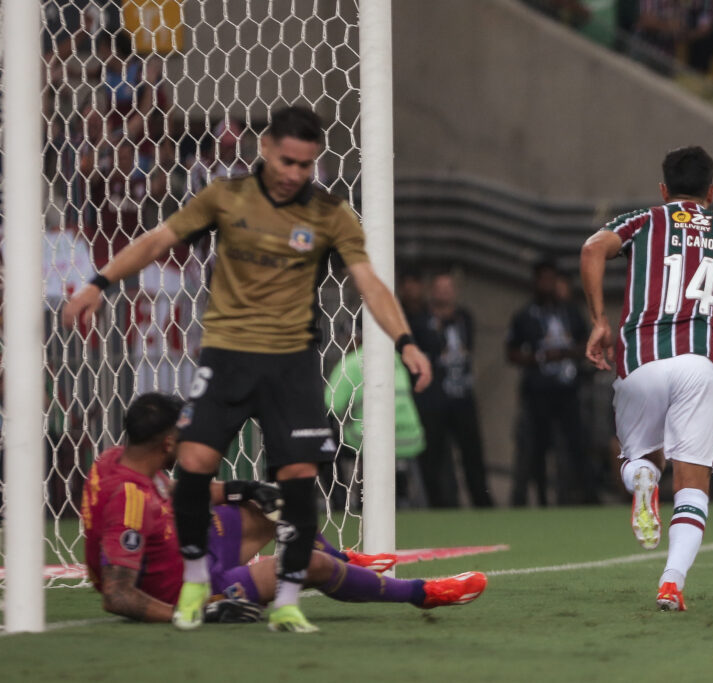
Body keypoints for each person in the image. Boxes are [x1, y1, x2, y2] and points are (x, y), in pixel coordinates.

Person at [63, 104, 433, 633]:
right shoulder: (224, 196)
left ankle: (285, 600)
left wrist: (406, 341)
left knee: (299, 483)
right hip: (228, 355)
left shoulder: (331, 213)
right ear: (264, 148)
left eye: (305, 166)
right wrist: (100, 283)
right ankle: (195, 582)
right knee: (192, 463)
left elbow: (368, 281)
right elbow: (157, 241)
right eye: (287, 161)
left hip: (292, 362)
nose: (294, 175)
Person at [82, 393, 486, 623]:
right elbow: (117, 594)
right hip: (200, 589)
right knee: (310, 565)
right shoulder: (127, 502)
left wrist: (243, 488)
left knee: (277, 505)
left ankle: (347, 561)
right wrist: (189, 614)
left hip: (194, 546)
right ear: (167, 444)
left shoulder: (118, 459)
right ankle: (423, 593)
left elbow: (169, 491)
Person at [580, 146, 713, 611]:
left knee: (637, 459)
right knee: (692, 483)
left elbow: (592, 249)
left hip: (642, 362)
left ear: (663, 189)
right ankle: (671, 582)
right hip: (701, 366)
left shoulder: (643, 220)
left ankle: (644, 478)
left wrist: (599, 320)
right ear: (712, 191)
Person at [507, 260, 595, 506]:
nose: (548, 284)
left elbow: (586, 344)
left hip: (568, 392)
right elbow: (511, 352)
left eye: (551, 278)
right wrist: (538, 357)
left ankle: (585, 497)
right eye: (543, 279)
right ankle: (541, 499)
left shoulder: (570, 312)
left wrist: (565, 353)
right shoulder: (525, 316)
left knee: (575, 445)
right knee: (536, 449)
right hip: (538, 393)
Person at [410, 273, 494, 508]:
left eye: (449, 288)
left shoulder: (464, 318)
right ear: (432, 292)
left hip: (462, 397)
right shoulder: (420, 321)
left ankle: (482, 502)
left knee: (472, 452)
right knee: (434, 455)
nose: (445, 293)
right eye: (440, 288)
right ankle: (438, 504)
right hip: (434, 399)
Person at [324, 325, 427, 509]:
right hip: (411, 438)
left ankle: (340, 503)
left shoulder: (352, 362)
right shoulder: (394, 359)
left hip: (369, 440)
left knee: (323, 440)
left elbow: (328, 406)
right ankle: (401, 493)